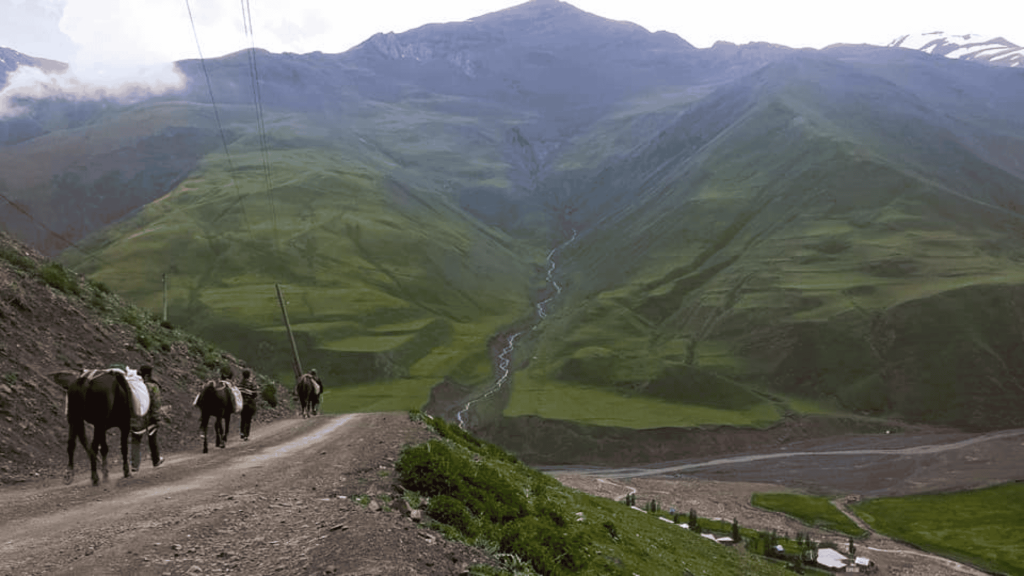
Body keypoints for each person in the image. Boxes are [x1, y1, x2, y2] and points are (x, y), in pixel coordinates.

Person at [131, 365, 164, 471]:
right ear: (147, 375)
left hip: (136, 417)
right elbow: (156, 403)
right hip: (150, 418)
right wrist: (157, 417)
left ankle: (135, 465)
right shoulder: (153, 387)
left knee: (136, 440)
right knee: (152, 437)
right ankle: (156, 459)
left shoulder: (133, 386)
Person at [238, 368, 260, 440]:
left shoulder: (240, 383)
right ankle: (246, 435)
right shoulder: (251, 383)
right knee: (248, 419)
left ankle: (242, 432)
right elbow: (255, 393)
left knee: (243, 418)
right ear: (249, 375)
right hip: (249, 403)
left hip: (242, 403)